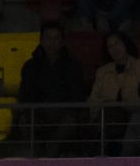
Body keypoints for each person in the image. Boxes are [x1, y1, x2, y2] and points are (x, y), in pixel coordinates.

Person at [15, 22, 89, 157]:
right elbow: (25, 94)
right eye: (48, 38)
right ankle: (39, 155)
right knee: (24, 122)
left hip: (64, 113)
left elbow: (78, 95)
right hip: (39, 112)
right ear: (41, 41)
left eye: (56, 38)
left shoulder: (73, 66)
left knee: (71, 121)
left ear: (61, 42)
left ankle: (49, 155)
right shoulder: (30, 66)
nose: (52, 42)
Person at [88, 31, 140, 155]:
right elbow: (94, 99)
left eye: (117, 44)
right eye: (110, 46)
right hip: (106, 118)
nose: (114, 49)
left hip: (134, 115)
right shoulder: (102, 72)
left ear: (126, 44)